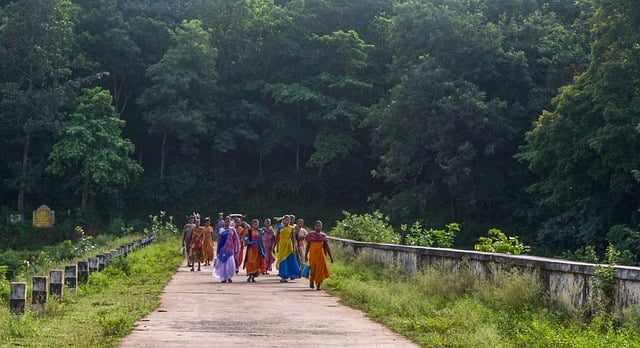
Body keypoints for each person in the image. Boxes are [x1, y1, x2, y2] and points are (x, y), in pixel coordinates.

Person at [305, 220, 334, 290]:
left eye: (319, 226)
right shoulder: (311, 235)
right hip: (313, 255)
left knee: (320, 270)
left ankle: (318, 284)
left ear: (321, 227)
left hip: (321, 255)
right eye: (317, 226)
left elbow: (326, 247)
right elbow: (308, 246)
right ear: (314, 227)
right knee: (313, 269)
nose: (318, 227)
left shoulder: (323, 236)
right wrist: (305, 255)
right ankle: (311, 280)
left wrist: (331, 257)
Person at [213, 216, 241, 283]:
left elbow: (236, 240)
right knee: (223, 264)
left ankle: (229, 277)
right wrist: (218, 250)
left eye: (229, 221)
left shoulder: (232, 230)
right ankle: (223, 278)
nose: (227, 222)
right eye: (226, 221)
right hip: (222, 248)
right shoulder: (221, 230)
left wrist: (236, 249)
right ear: (224, 222)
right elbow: (219, 240)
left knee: (230, 263)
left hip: (230, 249)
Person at [276, 215, 301, 282]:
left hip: (289, 245)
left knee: (290, 260)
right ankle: (283, 276)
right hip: (282, 244)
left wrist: (294, 246)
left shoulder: (292, 228)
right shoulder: (279, 227)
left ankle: (291, 274)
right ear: (283, 220)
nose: (287, 221)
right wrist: (276, 246)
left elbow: (293, 238)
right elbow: (277, 237)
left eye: (288, 220)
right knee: (282, 260)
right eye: (286, 220)